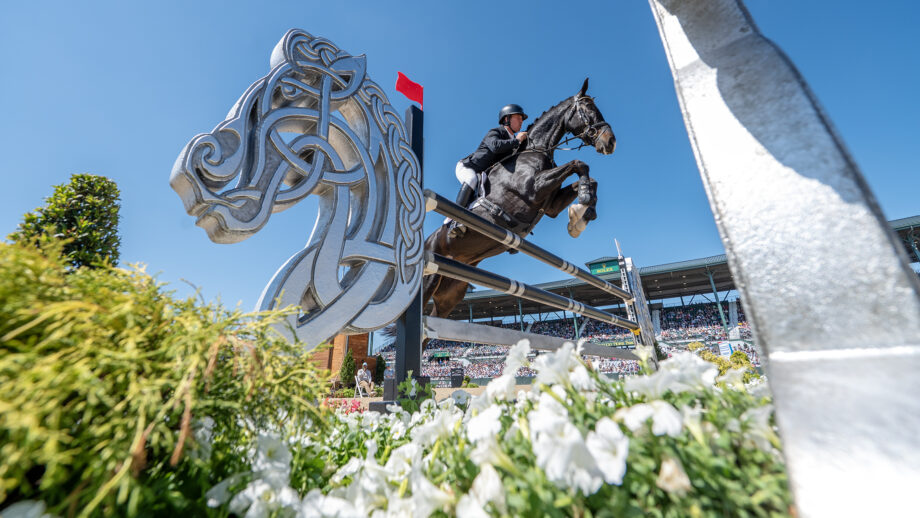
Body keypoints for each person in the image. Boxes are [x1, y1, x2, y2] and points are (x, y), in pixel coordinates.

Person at [449, 104, 528, 238]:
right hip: (468, 167)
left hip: (483, 175)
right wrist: (517, 140)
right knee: (471, 179)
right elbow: (495, 147)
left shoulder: (511, 141)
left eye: (522, 119)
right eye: (518, 117)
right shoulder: (496, 132)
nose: (521, 121)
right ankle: (455, 221)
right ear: (507, 119)